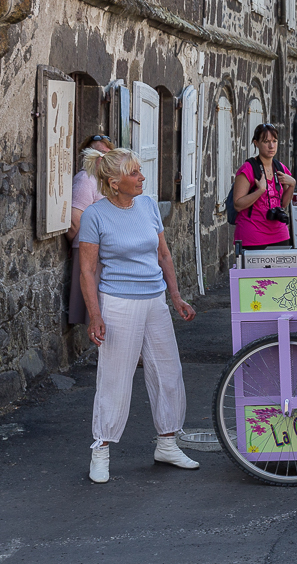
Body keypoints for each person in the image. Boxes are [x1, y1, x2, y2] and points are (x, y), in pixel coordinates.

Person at [78, 148, 199, 484]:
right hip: (118, 303)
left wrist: (175, 297)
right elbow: (87, 271)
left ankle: (167, 443)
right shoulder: (94, 215)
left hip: (154, 300)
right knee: (115, 378)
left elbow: (163, 254)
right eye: (134, 173)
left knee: (168, 372)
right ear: (114, 183)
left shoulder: (146, 206)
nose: (142, 177)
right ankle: (100, 450)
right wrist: (95, 314)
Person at [67, 135, 114, 325]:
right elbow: (73, 221)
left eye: (106, 154)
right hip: (90, 250)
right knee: (97, 306)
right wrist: (76, 246)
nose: (101, 158)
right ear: (87, 156)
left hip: (103, 250)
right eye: (97, 153)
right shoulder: (86, 179)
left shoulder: (104, 180)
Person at [233, 123, 296, 250]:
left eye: (274, 141)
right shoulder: (248, 169)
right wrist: (260, 190)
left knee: (281, 270)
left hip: (280, 234)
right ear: (256, 143)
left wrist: (292, 184)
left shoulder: (280, 168)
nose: (271, 146)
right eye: (266, 141)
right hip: (253, 235)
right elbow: (238, 205)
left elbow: (283, 204)